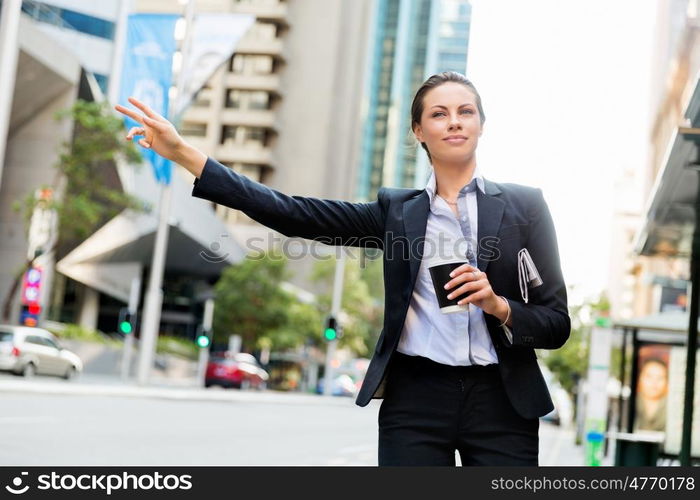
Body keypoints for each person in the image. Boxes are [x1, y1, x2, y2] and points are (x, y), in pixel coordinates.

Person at [116, 71, 570, 466]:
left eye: (465, 111)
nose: (454, 120)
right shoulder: (397, 212)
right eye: (438, 113)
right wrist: (184, 155)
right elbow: (292, 212)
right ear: (417, 130)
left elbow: (556, 323)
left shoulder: (525, 206)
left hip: (503, 401)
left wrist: (498, 305)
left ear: (481, 124)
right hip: (416, 398)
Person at [634, 357, 668, 432]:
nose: (654, 382)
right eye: (649, 377)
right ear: (640, 378)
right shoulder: (630, 403)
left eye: (660, 378)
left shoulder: (671, 406)